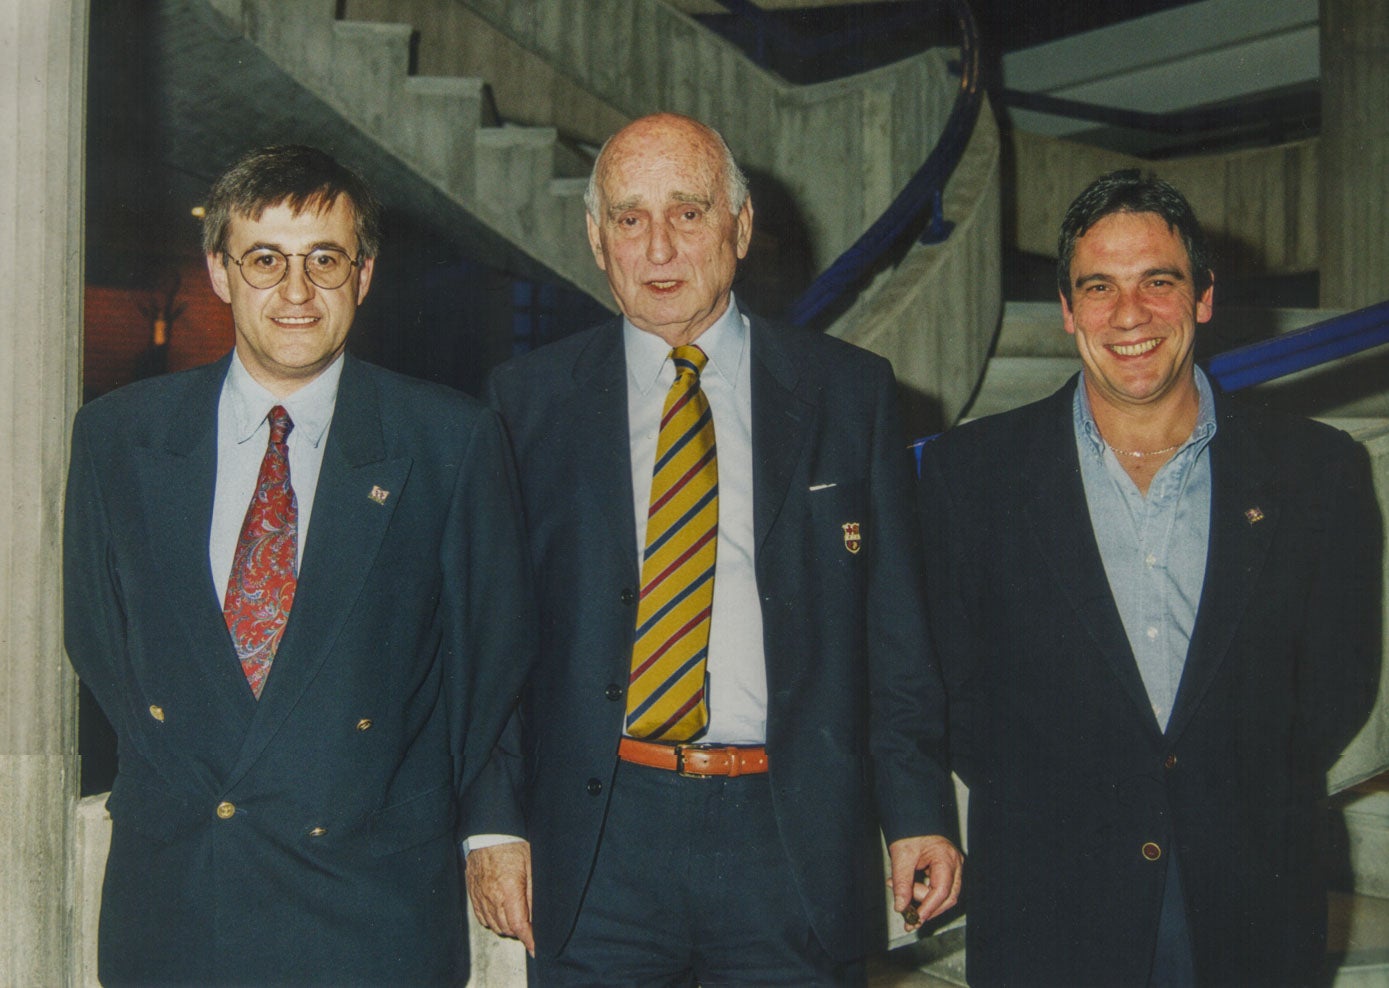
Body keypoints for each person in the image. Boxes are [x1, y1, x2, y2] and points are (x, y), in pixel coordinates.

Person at [464, 112, 962, 985]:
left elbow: (892, 631)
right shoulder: (523, 404)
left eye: (688, 214)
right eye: (628, 218)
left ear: (738, 228)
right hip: (598, 842)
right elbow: (495, 639)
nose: (658, 247)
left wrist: (918, 810)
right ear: (595, 239)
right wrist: (495, 825)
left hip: (787, 836)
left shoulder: (850, 395)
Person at [63, 144, 535, 986]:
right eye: (265, 260)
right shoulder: (119, 436)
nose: (294, 292)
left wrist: (488, 826)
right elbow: (97, 640)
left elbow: (490, 660)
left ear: (364, 275)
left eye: (325, 260)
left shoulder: (447, 439)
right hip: (178, 898)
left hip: (369, 900)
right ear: (219, 272)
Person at [918, 169, 1383, 986]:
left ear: (1202, 296)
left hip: (1249, 895)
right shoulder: (971, 477)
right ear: (1067, 310)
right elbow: (949, 691)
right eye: (1097, 287)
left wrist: (1227, 779)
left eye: (1156, 282)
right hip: (1050, 900)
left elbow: (1337, 683)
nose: (1127, 315)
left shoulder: (1318, 471)